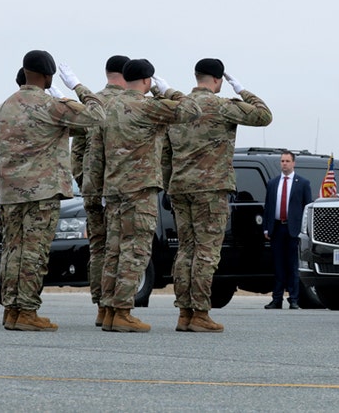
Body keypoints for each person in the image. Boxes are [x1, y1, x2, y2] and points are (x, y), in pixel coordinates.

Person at [0, 51, 104, 331]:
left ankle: (12, 310)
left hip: (10, 193)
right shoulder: (52, 106)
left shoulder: (5, 107)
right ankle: (27, 311)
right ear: (48, 76)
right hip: (41, 194)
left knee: (12, 251)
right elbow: (98, 116)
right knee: (33, 253)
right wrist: (78, 88)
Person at [164, 58, 272, 332]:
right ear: (218, 79)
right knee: (206, 252)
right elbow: (264, 115)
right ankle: (200, 314)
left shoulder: (179, 107)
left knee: (186, 250)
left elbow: (165, 154)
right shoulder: (222, 106)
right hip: (210, 189)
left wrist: (169, 184)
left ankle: (184, 313)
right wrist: (242, 91)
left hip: (180, 188)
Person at [100, 59, 200, 332]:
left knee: (114, 250)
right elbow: (192, 110)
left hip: (114, 189)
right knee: (136, 250)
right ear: (147, 80)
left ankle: (109, 311)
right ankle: (123, 312)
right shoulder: (147, 106)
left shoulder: (110, 107)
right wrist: (167, 91)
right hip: (139, 189)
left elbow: (97, 150)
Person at [76, 54, 130, 327]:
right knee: (119, 247)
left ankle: (100, 306)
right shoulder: (128, 103)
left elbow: (77, 151)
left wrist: (85, 181)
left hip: (92, 187)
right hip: (120, 187)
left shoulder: (92, 103)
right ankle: (113, 306)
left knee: (98, 247)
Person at [262, 150, 313, 309]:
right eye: (282, 161)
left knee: (292, 266)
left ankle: (294, 299)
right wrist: (266, 228)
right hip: (277, 228)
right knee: (278, 266)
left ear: (293, 163)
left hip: (293, 230)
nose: (284, 164)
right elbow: (268, 207)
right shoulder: (273, 183)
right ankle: (277, 299)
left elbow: (307, 207)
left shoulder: (302, 183)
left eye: (287, 161)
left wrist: (305, 231)